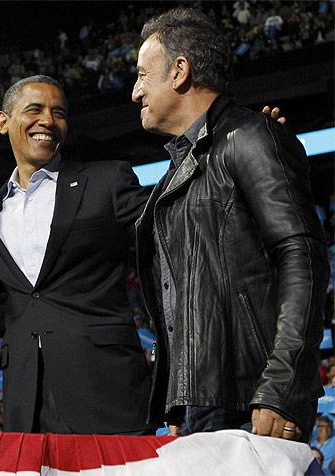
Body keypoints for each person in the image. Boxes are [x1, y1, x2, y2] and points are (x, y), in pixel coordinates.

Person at [132, 8, 329, 440]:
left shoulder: (249, 135)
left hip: (251, 399)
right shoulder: (180, 169)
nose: (135, 91)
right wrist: (179, 396)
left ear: (180, 71)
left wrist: (281, 386)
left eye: (144, 74)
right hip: (204, 401)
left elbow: (303, 256)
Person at [0, 75, 153, 434]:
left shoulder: (107, 181)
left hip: (106, 389)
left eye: (58, 112)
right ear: (3, 122)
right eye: (34, 109)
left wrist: (235, 160)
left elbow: (173, 219)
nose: (48, 120)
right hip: (25, 400)